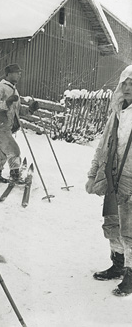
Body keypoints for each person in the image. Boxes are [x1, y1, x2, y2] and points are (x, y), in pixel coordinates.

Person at [86, 65, 132, 296]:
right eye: (125, 83)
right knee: (112, 222)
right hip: (113, 176)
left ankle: (131, 274)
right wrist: (93, 174)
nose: (128, 88)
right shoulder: (116, 113)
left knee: (130, 229)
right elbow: (103, 146)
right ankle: (118, 264)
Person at [0, 63, 38, 184]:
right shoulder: (1, 87)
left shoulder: (13, 89)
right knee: (13, 150)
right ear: (8, 74)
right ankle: (15, 174)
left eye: (20, 73)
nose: (19, 75)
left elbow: (16, 109)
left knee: (0, 150)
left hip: (4, 124)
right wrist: (6, 103)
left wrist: (30, 110)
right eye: (17, 73)